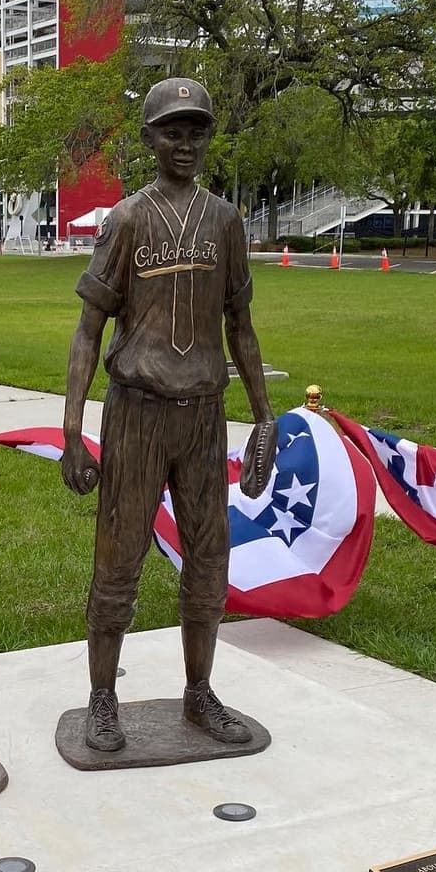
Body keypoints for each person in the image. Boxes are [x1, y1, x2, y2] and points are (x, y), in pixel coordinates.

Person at [61, 77, 278, 754]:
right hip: (137, 411)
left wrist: (264, 415)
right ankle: (102, 696)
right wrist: (72, 428)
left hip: (203, 413)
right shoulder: (127, 219)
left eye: (196, 131)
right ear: (149, 138)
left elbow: (241, 325)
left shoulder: (225, 221)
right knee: (119, 556)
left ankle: (199, 690)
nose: (185, 144)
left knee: (209, 556)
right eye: (172, 132)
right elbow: (88, 330)